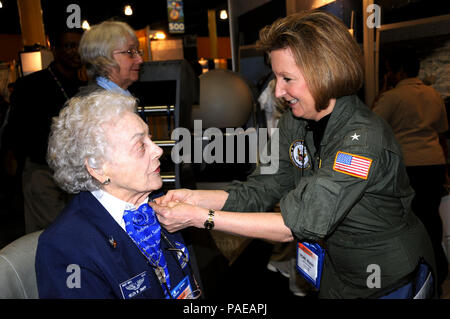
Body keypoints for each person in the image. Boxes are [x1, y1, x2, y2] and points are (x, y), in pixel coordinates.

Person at [151, 11, 437, 299]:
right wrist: (193, 198)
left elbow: (293, 225)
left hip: (387, 277)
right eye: (277, 78)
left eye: (287, 78)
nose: (278, 92)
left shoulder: (363, 140)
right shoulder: (295, 121)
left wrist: (202, 217)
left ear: (325, 72)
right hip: (337, 272)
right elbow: (262, 188)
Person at [35, 91, 200, 299]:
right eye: (140, 145)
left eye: (150, 138)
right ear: (98, 169)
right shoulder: (66, 246)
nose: (158, 150)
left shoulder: (162, 206)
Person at [372, 48, 449, 291]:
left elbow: (371, 126)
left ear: (399, 71)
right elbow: (442, 133)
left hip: (407, 166)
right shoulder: (433, 94)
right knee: (430, 217)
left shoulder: (393, 96)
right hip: (434, 162)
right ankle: (438, 269)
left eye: (390, 70)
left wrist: (383, 89)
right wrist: (445, 167)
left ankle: (413, 274)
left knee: (407, 220)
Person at [2, 29, 86, 234]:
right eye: (68, 46)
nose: (75, 51)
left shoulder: (84, 87)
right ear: (54, 49)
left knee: (78, 231)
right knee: (54, 234)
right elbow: (15, 131)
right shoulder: (30, 85)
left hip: (78, 172)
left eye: (79, 46)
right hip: (42, 172)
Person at [78, 20, 143, 96]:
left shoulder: (115, 96)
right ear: (103, 59)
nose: (140, 60)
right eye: (130, 52)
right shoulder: (95, 103)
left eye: (138, 52)